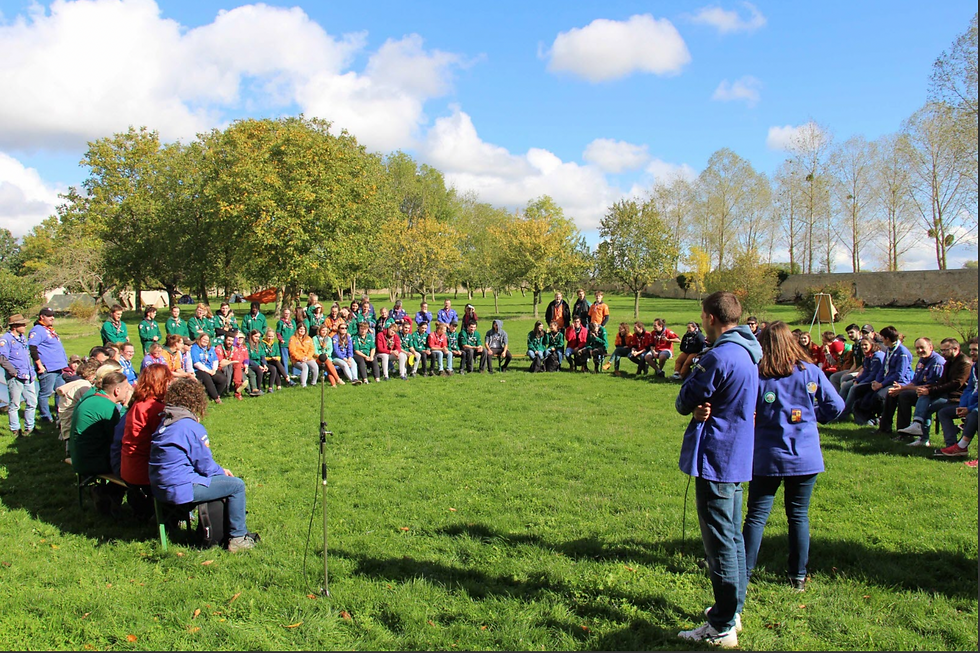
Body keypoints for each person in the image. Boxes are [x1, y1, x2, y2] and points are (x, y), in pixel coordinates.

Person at [674, 291, 762, 648]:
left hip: (717, 457)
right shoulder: (748, 351)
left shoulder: (719, 356)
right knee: (733, 538)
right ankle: (733, 610)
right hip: (737, 453)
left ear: (711, 317)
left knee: (720, 543)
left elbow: (684, 400)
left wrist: (694, 403)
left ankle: (722, 625)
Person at [738, 321, 843, 597]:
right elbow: (836, 406)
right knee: (798, 516)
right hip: (804, 455)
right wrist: (811, 417)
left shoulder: (757, 375)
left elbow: (743, 411)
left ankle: (744, 574)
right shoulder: (810, 371)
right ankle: (798, 576)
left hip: (767, 455)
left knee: (756, 517)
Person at [149, 378, 259, 553]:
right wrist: (222, 471)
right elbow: (205, 465)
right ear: (197, 399)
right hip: (180, 488)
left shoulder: (165, 422)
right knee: (236, 485)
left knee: (217, 481)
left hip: (159, 487)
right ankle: (238, 538)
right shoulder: (189, 426)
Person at [70, 370, 133, 514]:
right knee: (131, 465)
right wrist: (125, 407)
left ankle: (106, 494)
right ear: (117, 390)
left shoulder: (91, 399)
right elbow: (118, 437)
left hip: (79, 456)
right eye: (126, 389)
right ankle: (107, 494)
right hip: (92, 461)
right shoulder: (107, 407)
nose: (128, 391)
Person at [119, 363, 173, 519]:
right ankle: (175, 517)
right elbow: (167, 441)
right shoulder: (154, 408)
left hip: (128, 466)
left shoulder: (138, 403)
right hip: (143, 471)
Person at [896, 338, 972, 446]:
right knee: (924, 395)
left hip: (958, 398)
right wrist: (928, 388)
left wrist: (930, 390)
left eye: (945, 350)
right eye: (942, 350)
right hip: (948, 395)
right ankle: (921, 435)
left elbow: (956, 384)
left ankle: (922, 432)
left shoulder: (964, 363)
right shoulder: (949, 362)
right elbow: (942, 381)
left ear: (955, 349)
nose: (943, 353)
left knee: (929, 404)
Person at [882, 337, 943, 438]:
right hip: (920, 391)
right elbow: (915, 382)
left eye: (922, 348)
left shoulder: (937, 362)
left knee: (904, 396)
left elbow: (931, 386)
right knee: (892, 393)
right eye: (917, 348)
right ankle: (884, 428)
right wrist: (901, 388)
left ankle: (904, 433)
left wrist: (903, 389)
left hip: (932, 394)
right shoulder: (922, 360)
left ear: (931, 347)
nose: (919, 351)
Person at [855, 326, 913, 433]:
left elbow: (899, 375)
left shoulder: (902, 352)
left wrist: (882, 385)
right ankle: (869, 419)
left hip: (899, 383)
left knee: (880, 396)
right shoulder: (889, 350)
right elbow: (883, 369)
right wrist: (877, 381)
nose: (880, 339)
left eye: (882, 337)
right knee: (863, 391)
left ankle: (881, 422)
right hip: (886, 380)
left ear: (887, 338)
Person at [936, 338, 978, 457]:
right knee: (944, 412)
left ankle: (961, 447)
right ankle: (952, 446)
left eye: (975, 350)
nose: (971, 353)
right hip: (969, 404)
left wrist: (969, 409)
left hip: (974, 408)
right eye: (970, 350)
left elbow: (957, 384)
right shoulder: (975, 367)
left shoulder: (965, 363)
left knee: (974, 415)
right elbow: (969, 388)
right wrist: (964, 406)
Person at [29, 307, 69, 426]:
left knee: (60, 392)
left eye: (53, 315)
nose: (52, 318)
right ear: (42, 317)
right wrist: (39, 365)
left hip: (58, 366)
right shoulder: (37, 330)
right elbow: (32, 347)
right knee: (45, 393)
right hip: (48, 367)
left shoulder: (49, 329)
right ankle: (45, 416)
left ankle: (59, 414)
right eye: (49, 315)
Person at [1, 314, 38, 436]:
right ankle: (15, 429)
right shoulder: (6, 340)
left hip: (28, 375)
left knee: (32, 402)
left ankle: (30, 427)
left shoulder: (22, 338)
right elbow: (2, 358)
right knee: (15, 404)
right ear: (15, 326)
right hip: (16, 377)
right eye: (22, 324)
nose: (25, 326)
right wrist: (14, 373)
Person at [836, 337, 884, 424]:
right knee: (846, 385)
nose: (863, 347)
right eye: (862, 345)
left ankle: (843, 414)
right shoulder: (868, 356)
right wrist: (856, 380)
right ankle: (838, 410)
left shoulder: (877, 357)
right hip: (867, 379)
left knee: (853, 388)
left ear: (872, 345)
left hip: (875, 381)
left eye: (866, 345)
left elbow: (873, 375)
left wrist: (858, 382)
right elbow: (865, 371)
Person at [57, 359, 100, 448]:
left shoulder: (76, 382)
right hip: (71, 418)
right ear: (92, 375)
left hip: (65, 416)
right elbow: (90, 404)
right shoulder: (84, 386)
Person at [190, 334, 227, 404]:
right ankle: (216, 398)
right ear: (200, 339)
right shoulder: (195, 348)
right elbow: (196, 363)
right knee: (207, 377)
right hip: (199, 369)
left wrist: (214, 369)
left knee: (222, 378)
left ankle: (215, 395)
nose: (205, 341)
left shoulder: (210, 348)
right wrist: (208, 371)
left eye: (207, 340)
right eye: (203, 339)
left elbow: (215, 360)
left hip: (211, 368)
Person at [830, 324, 864, 394]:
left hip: (862, 371)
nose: (850, 335)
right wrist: (848, 372)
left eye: (852, 332)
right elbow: (855, 363)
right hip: (855, 370)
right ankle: (838, 398)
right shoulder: (855, 346)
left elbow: (863, 364)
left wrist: (850, 373)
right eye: (848, 333)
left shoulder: (863, 344)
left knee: (844, 378)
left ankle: (844, 402)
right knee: (834, 377)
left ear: (858, 332)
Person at [216, 331, 249, 399]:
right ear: (225, 340)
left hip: (231, 366)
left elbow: (237, 361)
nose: (230, 342)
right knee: (229, 367)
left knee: (237, 365)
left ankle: (238, 387)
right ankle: (237, 390)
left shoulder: (234, 349)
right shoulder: (219, 348)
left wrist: (231, 362)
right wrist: (231, 361)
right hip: (218, 368)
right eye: (228, 340)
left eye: (231, 341)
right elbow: (221, 363)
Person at [289, 323, 319, 387]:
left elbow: (312, 350)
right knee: (305, 367)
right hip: (297, 359)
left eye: (303, 329)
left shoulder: (308, 338)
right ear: (297, 330)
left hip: (308, 358)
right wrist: (300, 358)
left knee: (315, 366)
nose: (302, 330)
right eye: (300, 329)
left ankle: (314, 382)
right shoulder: (293, 338)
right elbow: (292, 351)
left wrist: (307, 357)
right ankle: (303, 385)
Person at [244, 329, 269, 395]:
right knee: (259, 370)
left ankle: (270, 388)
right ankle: (257, 388)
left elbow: (262, 355)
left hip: (259, 363)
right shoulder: (247, 345)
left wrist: (264, 365)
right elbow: (247, 358)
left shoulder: (260, 345)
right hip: (250, 364)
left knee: (273, 368)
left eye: (258, 337)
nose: (257, 338)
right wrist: (258, 365)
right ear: (251, 336)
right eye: (256, 336)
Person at [276, 308, 298, 373]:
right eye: (285, 313)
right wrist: (281, 339)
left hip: (292, 343)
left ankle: (295, 372)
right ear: (283, 314)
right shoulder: (280, 322)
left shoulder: (293, 322)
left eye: (288, 313)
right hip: (284, 343)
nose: (287, 315)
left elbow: (295, 331)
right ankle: (285, 373)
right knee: (284, 359)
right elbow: (278, 332)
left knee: (293, 357)